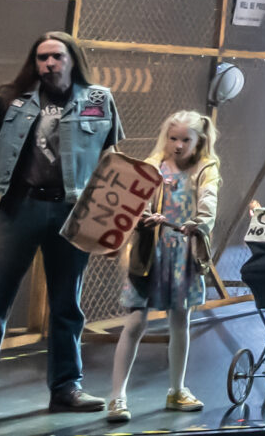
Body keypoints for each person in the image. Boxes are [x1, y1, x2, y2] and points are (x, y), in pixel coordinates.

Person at [0, 31, 125, 417]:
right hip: (18, 208)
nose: (48, 64)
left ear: (72, 59)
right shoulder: (11, 99)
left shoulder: (99, 99)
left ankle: (66, 388)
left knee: (66, 305)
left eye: (56, 56)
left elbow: (114, 158)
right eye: (41, 58)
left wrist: (113, 222)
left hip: (73, 212)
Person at [105, 112, 220, 422]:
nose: (178, 145)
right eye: (173, 138)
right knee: (134, 322)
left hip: (182, 255)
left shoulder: (205, 169)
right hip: (148, 253)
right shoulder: (152, 166)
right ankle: (117, 396)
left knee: (180, 320)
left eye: (185, 139)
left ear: (199, 142)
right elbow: (132, 203)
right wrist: (144, 217)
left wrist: (193, 223)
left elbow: (208, 206)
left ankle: (177, 389)